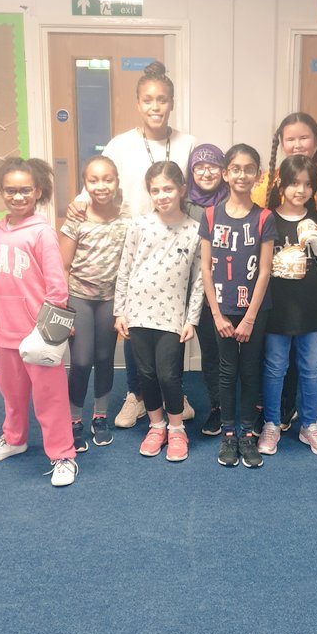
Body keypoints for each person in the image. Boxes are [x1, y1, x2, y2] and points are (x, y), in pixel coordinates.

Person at [68, 60, 199, 429]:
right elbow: (98, 181)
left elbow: (201, 188)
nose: (155, 107)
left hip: (176, 244)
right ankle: (136, 395)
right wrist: (78, 204)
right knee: (133, 323)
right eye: (148, 100)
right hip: (134, 243)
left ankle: (175, 394)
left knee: (171, 323)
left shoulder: (188, 143)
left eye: (162, 100)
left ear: (171, 102)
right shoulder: (121, 144)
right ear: (138, 103)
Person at [0, 157, 78, 487]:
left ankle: (63, 455)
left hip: (38, 333)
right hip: (7, 331)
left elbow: (57, 288)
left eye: (25, 190)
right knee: (11, 394)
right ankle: (14, 439)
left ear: (38, 191)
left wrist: (49, 333)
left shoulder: (42, 232)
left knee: (50, 399)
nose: (18, 196)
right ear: (2, 192)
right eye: (10, 190)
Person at [252, 112, 317, 431]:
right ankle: (275, 417)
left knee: (311, 363)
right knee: (276, 362)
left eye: (305, 137)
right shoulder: (267, 204)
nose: (301, 189)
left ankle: (311, 419)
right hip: (277, 300)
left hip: (313, 298)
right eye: (291, 138)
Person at [114, 161, 203, 463]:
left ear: (181, 189)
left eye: (168, 189)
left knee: (168, 375)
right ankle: (156, 426)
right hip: (137, 312)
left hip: (172, 317)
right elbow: (125, 268)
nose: (162, 195)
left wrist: (192, 318)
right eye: (155, 190)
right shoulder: (138, 225)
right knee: (146, 374)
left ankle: (177, 430)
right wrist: (120, 311)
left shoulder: (194, 231)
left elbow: (199, 280)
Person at [199, 144, 277, 469]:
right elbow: (205, 269)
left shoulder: (264, 217)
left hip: (253, 311)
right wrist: (217, 315)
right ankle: (228, 433)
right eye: (236, 168)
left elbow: (265, 270)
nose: (242, 175)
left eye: (249, 169)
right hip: (222, 310)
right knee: (227, 371)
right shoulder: (210, 215)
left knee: (250, 369)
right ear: (225, 173)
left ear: (257, 175)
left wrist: (249, 319)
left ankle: (247, 433)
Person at [60, 156, 128, 452]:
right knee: (81, 361)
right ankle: (74, 420)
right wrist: (64, 308)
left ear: (117, 182)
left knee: (104, 359)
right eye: (94, 180)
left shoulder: (127, 221)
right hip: (79, 298)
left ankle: (100, 417)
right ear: (85, 184)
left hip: (110, 300)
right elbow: (63, 266)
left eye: (108, 179)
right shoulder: (76, 218)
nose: (101, 186)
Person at [186, 144, 229, 437]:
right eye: (199, 167)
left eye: (212, 165)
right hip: (200, 290)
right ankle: (218, 406)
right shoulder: (183, 203)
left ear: (222, 169)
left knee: (238, 352)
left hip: (233, 287)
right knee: (211, 351)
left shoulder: (234, 200)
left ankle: (250, 406)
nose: (206, 172)